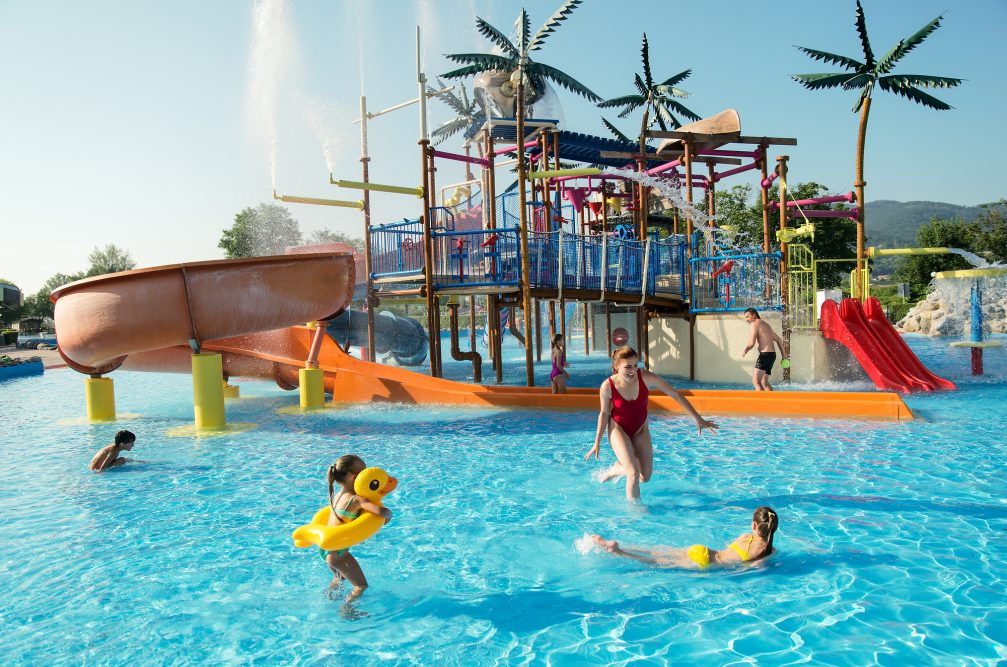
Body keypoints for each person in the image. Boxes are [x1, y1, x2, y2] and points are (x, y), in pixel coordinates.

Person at [584, 346, 719, 500]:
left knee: (645, 477)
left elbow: (674, 394)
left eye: (636, 365)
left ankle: (618, 468)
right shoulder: (607, 386)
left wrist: (698, 418)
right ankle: (635, 512)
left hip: (640, 429)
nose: (633, 371)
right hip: (618, 429)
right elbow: (604, 413)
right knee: (633, 472)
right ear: (616, 366)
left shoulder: (646, 377)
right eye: (627, 367)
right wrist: (597, 442)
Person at [591, 506, 779, 568]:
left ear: (754, 525)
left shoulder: (745, 536)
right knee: (656, 561)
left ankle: (622, 545)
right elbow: (747, 568)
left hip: (703, 549)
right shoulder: (766, 551)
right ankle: (619, 552)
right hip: (705, 563)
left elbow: (728, 548)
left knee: (657, 551)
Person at [322, 455, 393, 602]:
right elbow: (381, 513)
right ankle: (347, 610)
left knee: (338, 578)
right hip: (339, 553)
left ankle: (327, 600)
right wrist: (388, 513)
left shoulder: (337, 495)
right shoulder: (357, 500)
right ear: (353, 476)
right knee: (361, 586)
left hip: (327, 550)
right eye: (363, 472)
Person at [742, 308, 785, 391]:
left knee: (755, 381)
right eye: (745, 318)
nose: (747, 319)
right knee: (764, 382)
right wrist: (784, 355)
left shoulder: (754, 323)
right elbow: (778, 339)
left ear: (754, 315)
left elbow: (752, 343)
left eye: (748, 317)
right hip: (772, 355)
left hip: (765, 355)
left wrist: (746, 349)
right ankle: (771, 401)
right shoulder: (765, 325)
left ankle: (760, 402)